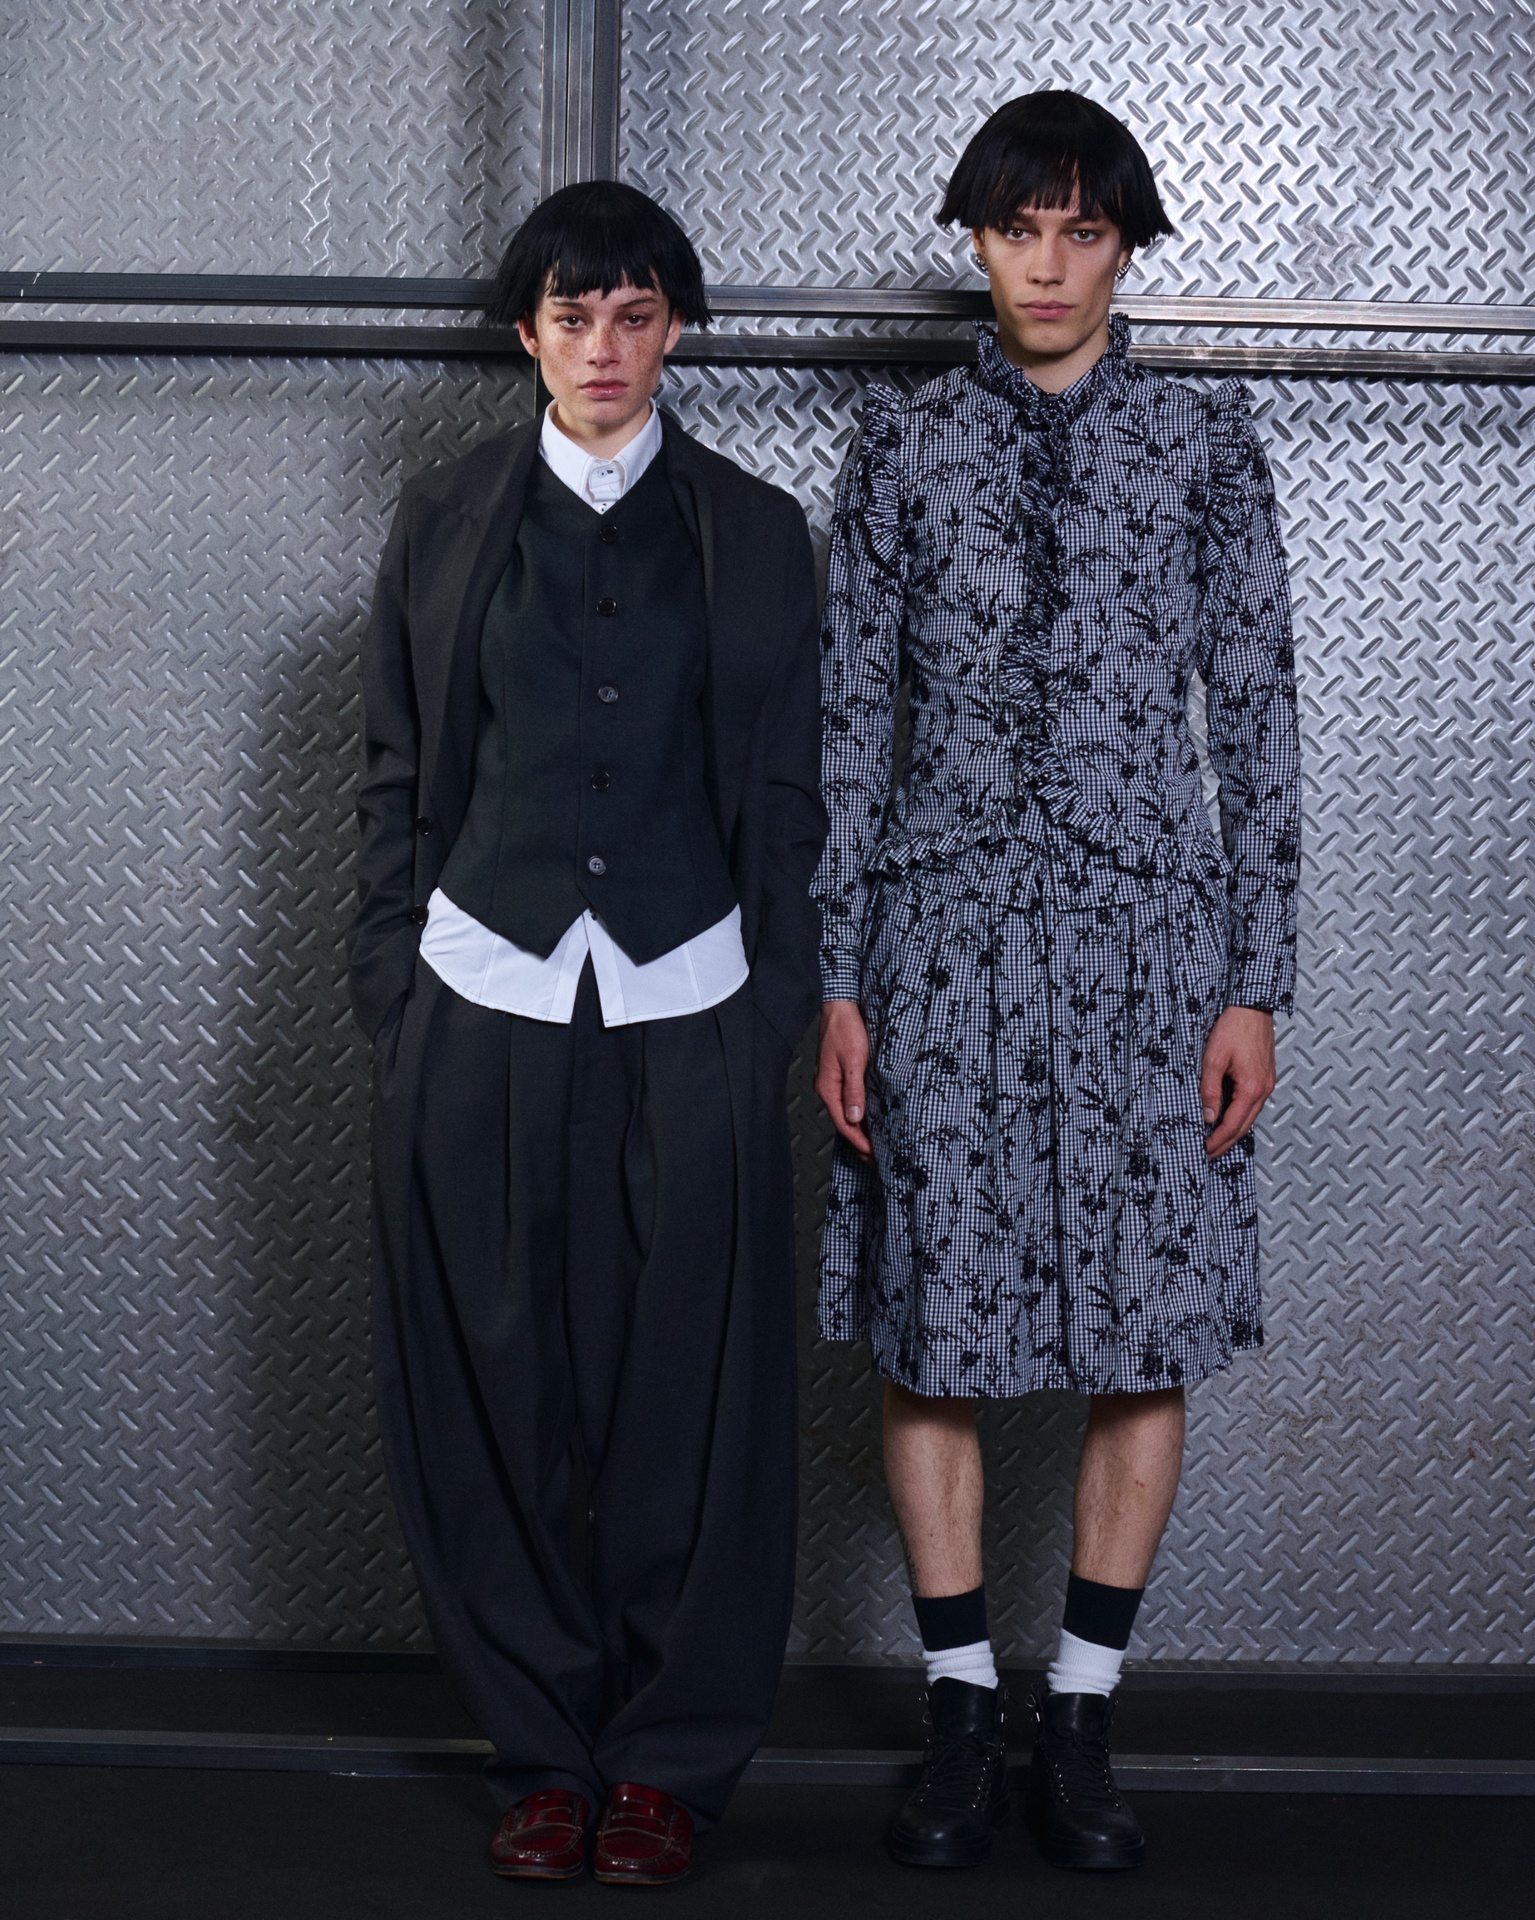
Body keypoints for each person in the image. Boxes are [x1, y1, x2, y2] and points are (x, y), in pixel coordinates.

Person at [812, 90, 1299, 1873]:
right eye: (1019, 229)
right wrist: (836, 976)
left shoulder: (1204, 440)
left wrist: (1255, 983)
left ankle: (1080, 1717)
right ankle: (962, 1718)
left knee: (1142, 1331)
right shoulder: (901, 441)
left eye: (1082, 231)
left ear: (1123, 248)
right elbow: (846, 720)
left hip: (1151, 949)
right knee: (933, 1325)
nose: (1046, 263)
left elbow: (1259, 715)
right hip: (939, 943)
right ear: (977, 240)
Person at [348, 180, 824, 1888]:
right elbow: (398, 769)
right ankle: (542, 1753)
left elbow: (790, 798)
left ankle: (671, 1762)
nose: (604, 347)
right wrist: (396, 996)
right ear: (526, 333)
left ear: (674, 327)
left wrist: (772, 1015)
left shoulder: (757, 533)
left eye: (634, 315)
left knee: (694, 1399)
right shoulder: (446, 518)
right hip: (482, 999)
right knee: (493, 1391)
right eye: (572, 317)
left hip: (694, 1004)